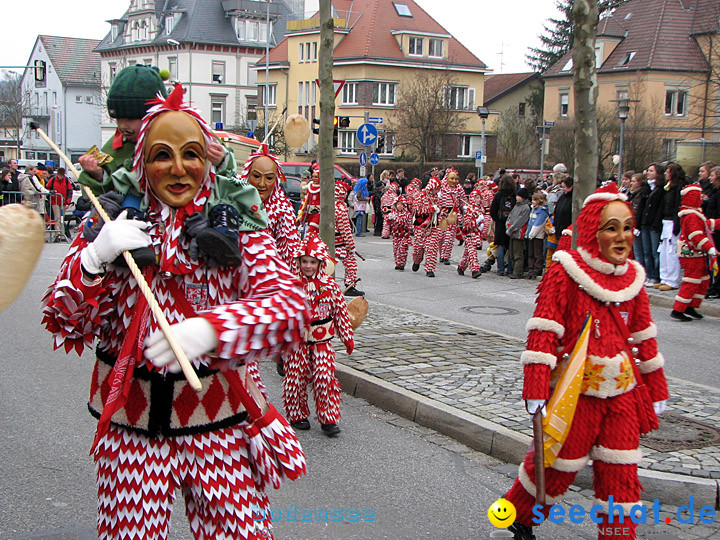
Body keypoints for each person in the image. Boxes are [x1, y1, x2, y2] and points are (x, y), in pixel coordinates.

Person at [41, 84, 309, 540]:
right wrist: (91, 261)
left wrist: (213, 330)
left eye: (192, 154)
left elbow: (290, 306)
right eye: (163, 154)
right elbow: (66, 320)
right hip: (133, 433)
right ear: (143, 164)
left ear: (207, 161)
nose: (179, 168)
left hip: (219, 428)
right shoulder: (108, 223)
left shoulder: (237, 226)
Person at [504, 182, 669, 540]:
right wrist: (535, 386)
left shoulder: (634, 278)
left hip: (622, 394)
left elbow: (643, 335)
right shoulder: (566, 271)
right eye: (612, 227)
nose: (622, 236)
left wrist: (656, 386)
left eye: (627, 226)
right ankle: (515, 517)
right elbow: (544, 331)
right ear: (595, 230)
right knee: (557, 468)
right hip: (575, 393)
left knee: (621, 474)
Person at [282, 234, 354, 437]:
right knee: (295, 378)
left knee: (324, 377)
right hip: (296, 342)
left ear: (320, 263)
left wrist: (347, 337)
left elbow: (340, 313)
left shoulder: (330, 286)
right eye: (304, 261)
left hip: (322, 340)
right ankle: (297, 414)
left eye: (312, 262)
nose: (308, 266)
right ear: (298, 262)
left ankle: (328, 418)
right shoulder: (290, 286)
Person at [240, 146, 300, 273]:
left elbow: (290, 253)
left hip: (267, 276)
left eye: (268, 178)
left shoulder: (282, 207)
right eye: (256, 176)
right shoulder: (234, 198)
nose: (262, 184)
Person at [670, 184, 718, 321]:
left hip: (696, 253)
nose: (701, 199)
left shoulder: (695, 214)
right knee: (691, 280)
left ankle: (690, 305)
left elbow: (705, 225)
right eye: (699, 196)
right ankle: (678, 309)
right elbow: (696, 235)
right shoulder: (691, 216)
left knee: (703, 279)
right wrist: (709, 247)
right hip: (691, 254)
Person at [656, 163, 685, 291]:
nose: (666, 174)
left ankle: (672, 280)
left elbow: (678, 206)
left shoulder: (679, 188)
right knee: (663, 251)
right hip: (665, 221)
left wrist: (677, 225)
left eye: (668, 171)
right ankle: (664, 277)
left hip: (673, 222)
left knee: (671, 252)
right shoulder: (667, 188)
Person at [335, 180, 365, 296]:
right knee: (351, 263)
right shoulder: (341, 208)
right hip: (340, 243)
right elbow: (345, 230)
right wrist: (351, 246)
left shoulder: (329, 205)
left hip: (329, 241)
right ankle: (350, 286)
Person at [411, 176, 442, 277]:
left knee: (432, 247)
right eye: (436, 188)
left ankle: (430, 269)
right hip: (421, 224)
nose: (437, 191)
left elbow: (440, 210)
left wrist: (440, 211)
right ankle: (417, 261)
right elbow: (416, 210)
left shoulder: (437, 197)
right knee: (418, 248)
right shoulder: (421, 195)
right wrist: (430, 209)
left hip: (433, 225)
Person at [639, 163, 665, 285]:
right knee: (646, 252)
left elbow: (660, 208)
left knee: (655, 252)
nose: (648, 173)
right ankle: (647, 274)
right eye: (648, 170)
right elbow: (641, 206)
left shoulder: (661, 189)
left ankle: (655, 275)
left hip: (653, 223)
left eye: (651, 171)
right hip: (644, 222)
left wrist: (656, 224)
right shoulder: (646, 188)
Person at [490, 174, 517, 276]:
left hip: (500, 222)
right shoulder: (514, 194)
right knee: (510, 246)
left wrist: (496, 219)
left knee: (500, 246)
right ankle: (510, 268)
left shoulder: (498, 194)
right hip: (511, 223)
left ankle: (500, 269)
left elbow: (493, 210)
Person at [438, 170, 465, 265]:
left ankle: (446, 256)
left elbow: (463, 201)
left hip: (453, 215)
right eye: (452, 178)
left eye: (455, 179)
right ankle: (441, 254)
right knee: (441, 236)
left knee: (449, 237)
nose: (454, 181)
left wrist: (465, 208)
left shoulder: (459, 189)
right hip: (443, 215)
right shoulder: (441, 188)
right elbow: (436, 200)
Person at [456, 188, 484, 278]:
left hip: (476, 235)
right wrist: (477, 221)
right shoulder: (469, 210)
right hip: (469, 234)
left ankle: (461, 267)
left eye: (479, 198)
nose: (479, 200)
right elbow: (467, 224)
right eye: (477, 198)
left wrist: (481, 226)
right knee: (472, 253)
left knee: (468, 253)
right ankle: (475, 270)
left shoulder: (480, 209)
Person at [506, 187, 532, 279]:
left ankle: (518, 271)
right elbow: (510, 217)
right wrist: (508, 225)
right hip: (512, 232)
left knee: (518, 253)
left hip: (518, 233)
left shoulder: (525, 208)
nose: (517, 197)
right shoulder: (516, 206)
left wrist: (512, 228)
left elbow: (520, 221)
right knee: (512, 252)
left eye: (519, 196)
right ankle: (514, 269)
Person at [703, 166, 720, 299]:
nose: (710, 178)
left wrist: (711, 224)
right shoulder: (715, 191)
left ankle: (716, 287)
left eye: (712, 175)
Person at [627, 173, 649, 270]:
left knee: (641, 250)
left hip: (637, 223)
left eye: (634, 181)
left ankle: (640, 270)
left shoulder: (640, 194)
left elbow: (638, 210)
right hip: (633, 222)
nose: (631, 183)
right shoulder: (633, 194)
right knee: (636, 250)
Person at [526, 191, 549, 279]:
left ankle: (537, 268)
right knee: (531, 252)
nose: (533, 202)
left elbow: (538, 224)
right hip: (531, 234)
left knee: (537, 253)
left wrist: (531, 234)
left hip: (537, 235)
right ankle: (531, 268)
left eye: (534, 200)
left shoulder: (542, 211)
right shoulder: (534, 210)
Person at [47, 167, 74, 240]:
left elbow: (69, 192)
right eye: (60, 175)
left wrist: (68, 203)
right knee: (57, 218)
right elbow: (48, 188)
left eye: (62, 175)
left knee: (62, 218)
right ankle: (57, 234)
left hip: (63, 202)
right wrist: (51, 194)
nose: (61, 177)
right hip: (54, 201)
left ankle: (62, 234)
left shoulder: (67, 181)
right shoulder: (52, 180)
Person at [388, 195, 413, 270]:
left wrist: (394, 218)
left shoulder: (407, 213)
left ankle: (401, 263)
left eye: (401, 204)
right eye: (398, 204)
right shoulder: (393, 213)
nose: (399, 206)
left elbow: (403, 222)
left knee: (402, 249)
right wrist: (389, 219)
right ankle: (397, 262)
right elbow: (389, 223)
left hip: (404, 234)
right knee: (395, 248)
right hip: (396, 234)